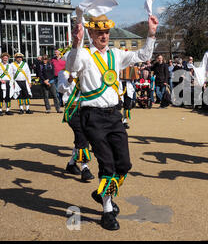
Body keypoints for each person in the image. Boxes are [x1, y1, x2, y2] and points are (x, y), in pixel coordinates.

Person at [67, 12, 159, 231]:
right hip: (92, 116)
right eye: (99, 32)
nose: (104, 36)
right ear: (90, 33)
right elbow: (71, 65)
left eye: (106, 32)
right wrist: (76, 43)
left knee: (124, 164)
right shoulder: (84, 54)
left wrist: (151, 33)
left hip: (114, 116)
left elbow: (143, 55)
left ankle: (101, 193)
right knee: (107, 164)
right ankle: (107, 211)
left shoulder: (117, 54)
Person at [58, 68, 95, 182]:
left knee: (83, 137)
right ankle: (85, 168)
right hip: (72, 110)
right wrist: (70, 79)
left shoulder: (87, 71)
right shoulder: (63, 73)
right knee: (82, 136)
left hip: (87, 108)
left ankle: (71, 164)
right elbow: (60, 89)